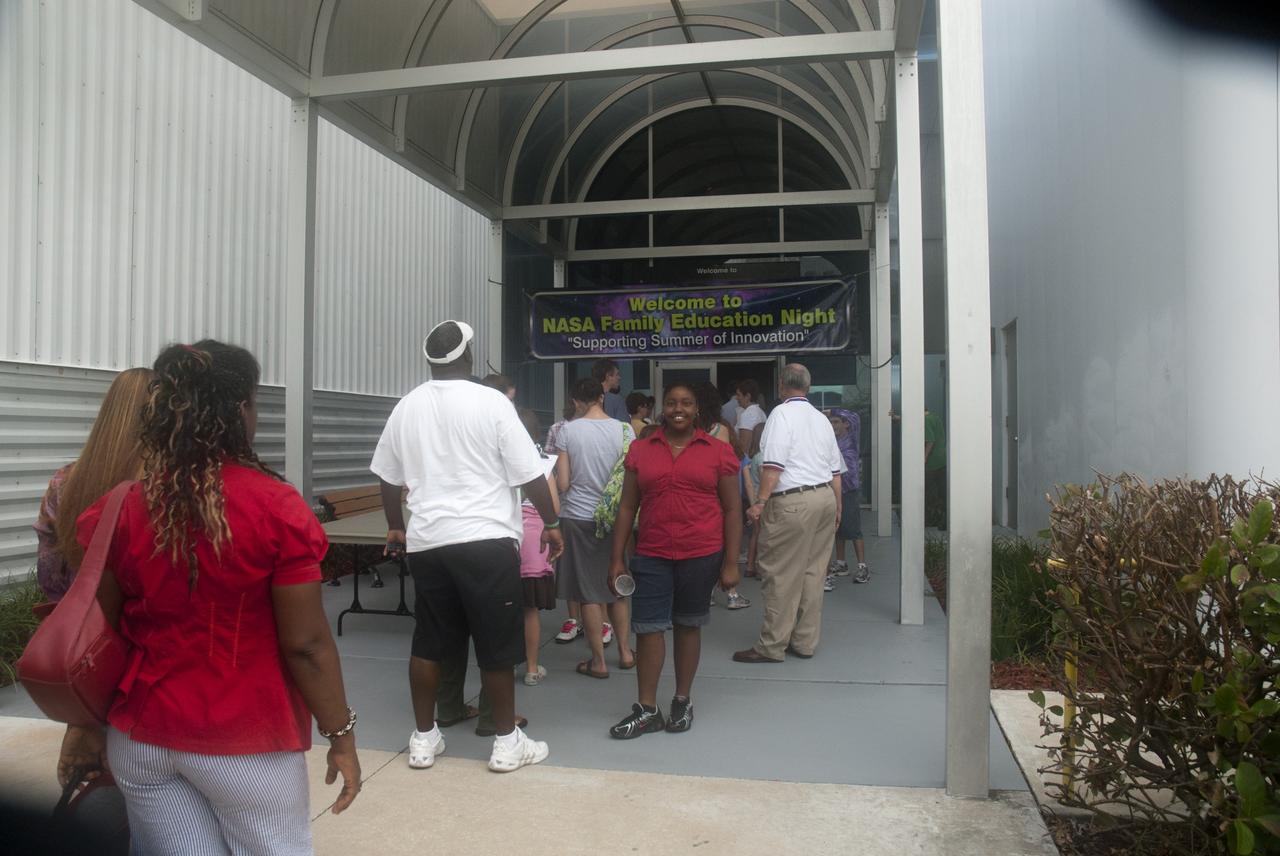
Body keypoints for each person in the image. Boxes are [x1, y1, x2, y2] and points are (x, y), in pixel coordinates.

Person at [65, 340, 361, 855]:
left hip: (142, 736)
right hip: (246, 743)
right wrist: (342, 734)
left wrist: (84, 726)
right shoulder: (275, 507)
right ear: (240, 409)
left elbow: (103, 632)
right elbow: (307, 645)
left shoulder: (123, 506)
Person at [372, 320, 562, 773]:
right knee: (496, 643)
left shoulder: (407, 406)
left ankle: (424, 739)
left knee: (428, 642)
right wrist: (552, 523)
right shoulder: (492, 402)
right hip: (486, 541)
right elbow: (529, 473)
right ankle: (506, 743)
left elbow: (388, 477)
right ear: (468, 355)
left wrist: (396, 526)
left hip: (428, 542)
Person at [607, 382, 742, 738]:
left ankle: (682, 700)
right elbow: (627, 507)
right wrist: (616, 558)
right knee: (648, 628)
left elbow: (732, 510)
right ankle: (647, 710)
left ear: (697, 409)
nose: (678, 409)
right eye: (671, 403)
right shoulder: (641, 450)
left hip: (701, 553)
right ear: (662, 408)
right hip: (652, 552)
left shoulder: (717, 451)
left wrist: (731, 562)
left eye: (686, 403)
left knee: (688, 624)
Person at [733, 364, 844, 664]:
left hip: (793, 502)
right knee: (813, 573)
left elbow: (774, 466)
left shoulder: (780, 415)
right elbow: (835, 470)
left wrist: (760, 502)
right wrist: (838, 506)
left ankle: (772, 646)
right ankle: (805, 642)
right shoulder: (821, 419)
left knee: (781, 575)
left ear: (781, 385)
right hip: (824, 497)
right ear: (808, 386)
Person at [34, 368, 152, 602]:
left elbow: (49, 574)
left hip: (82, 616)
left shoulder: (63, 481)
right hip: (144, 619)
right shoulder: (168, 487)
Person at [556, 377, 635, 678]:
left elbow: (564, 483)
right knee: (617, 585)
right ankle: (626, 652)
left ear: (575, 401)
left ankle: (598, 661)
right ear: (602, 398)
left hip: (578, 516)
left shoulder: (568, 431)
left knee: (588, 591)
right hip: (616, 517)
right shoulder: (625, 430)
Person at [692, 382, 750, 610]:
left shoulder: (686, 430)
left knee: (702, 545)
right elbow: (723, 467)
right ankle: (731, 593)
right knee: (723, 543)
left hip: (694, 494)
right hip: (717, 494)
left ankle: (705, 592)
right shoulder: (720, 430)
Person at [517, 409, 559, 686]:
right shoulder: (542, 463)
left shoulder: (493, 461)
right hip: (534, 543)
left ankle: (501, 663)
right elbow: (554, 506)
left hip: (501, 539)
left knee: (501, 607)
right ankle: (532, 667)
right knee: (529, 609)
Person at [826, 408, 870, 589]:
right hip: (835, 490)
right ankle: (841, 563)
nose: (833, 425)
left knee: (853, 529)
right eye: (831, 422)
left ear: (846, 424)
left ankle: (862, 566)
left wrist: (831, 411)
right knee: (837, 528)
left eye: (836, 422)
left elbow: (854, 416)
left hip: (849, 490)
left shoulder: (851, 437)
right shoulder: (833, 441)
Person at [733, 380, 768, 578]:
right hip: (754, 470)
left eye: (739, 394)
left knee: (751, 522)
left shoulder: (749, 414)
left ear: (748, 396)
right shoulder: (761, 412)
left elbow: (743, 445)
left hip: (748, 469)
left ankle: (746, 557)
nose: (737, 398)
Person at [924, 409, 947, 530]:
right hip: (941, 460)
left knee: (928, 493)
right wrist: (896, 418)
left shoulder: (925, 420)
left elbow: (930, 441)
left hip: (932, 463)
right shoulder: (934, 417)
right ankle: (943, 521)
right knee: (942, 493)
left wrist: (924, 458)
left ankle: (929, 520)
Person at [592, 358, 630, 422]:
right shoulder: (616, 400)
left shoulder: (587, 399)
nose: (619, 378)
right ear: (608, 376)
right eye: (617, 374)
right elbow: (624, 426)